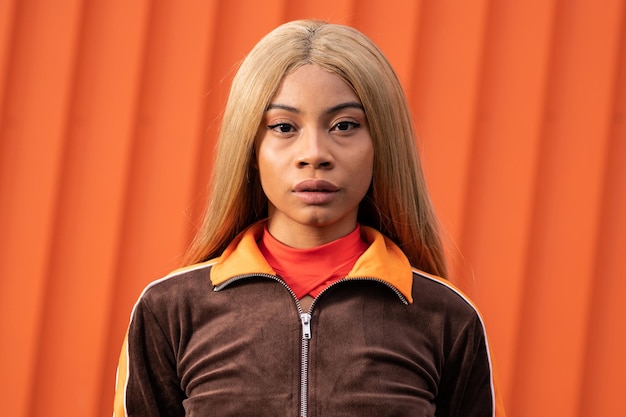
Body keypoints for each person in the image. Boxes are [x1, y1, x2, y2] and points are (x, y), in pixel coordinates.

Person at [113, 19, 506, 417]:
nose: (315, 152)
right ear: (250, 146)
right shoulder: (170, 312)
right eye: (284, 126)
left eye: (345, 125)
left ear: (382, 143)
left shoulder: (448, 319)